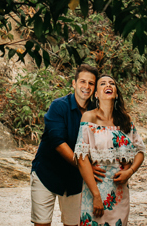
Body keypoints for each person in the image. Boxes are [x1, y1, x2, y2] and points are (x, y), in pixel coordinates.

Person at [31, 64, 106, 226]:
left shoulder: (97, 111)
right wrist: (85, 167)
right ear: (74, 83)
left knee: (73, 224)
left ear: (95, 88)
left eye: (91, 83)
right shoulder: (58, 106)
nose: (86, 87)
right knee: (42, 223)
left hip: (74, 180)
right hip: (47, 174)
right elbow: (59, 143)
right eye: (82, 82)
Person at [75, 74, 146, 226]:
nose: (108, 85)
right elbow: (81, 158)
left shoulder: (125, 120)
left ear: (116, 92)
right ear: (96, 94)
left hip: (120, 193)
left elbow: (140, 151)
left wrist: (130, 171)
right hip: (95, 188)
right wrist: (96, 195)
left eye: (112, 83)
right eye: (103, 84)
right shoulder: (89, 117)